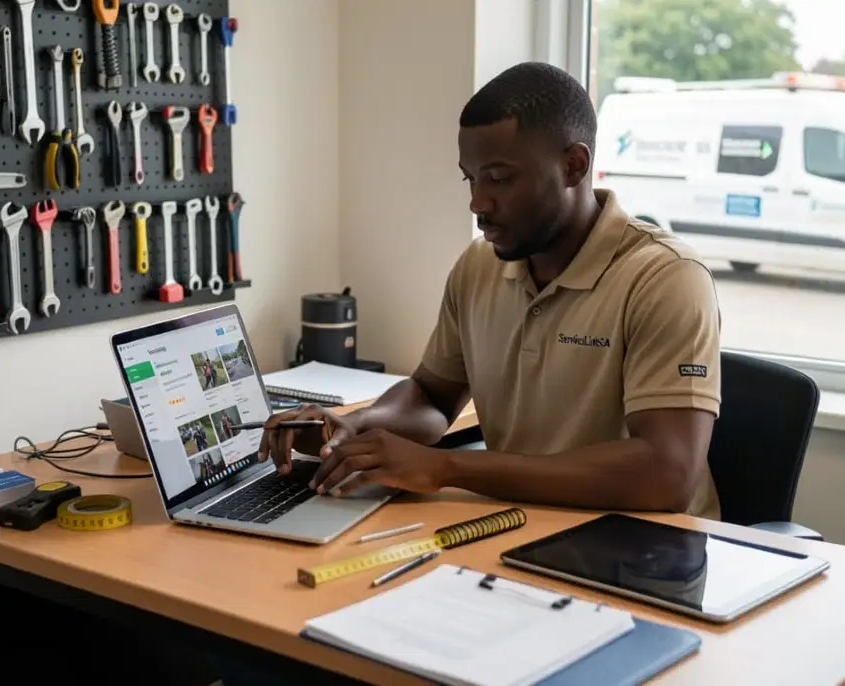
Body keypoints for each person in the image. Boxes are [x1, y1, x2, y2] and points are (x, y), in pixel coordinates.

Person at [258, 61, 723, 520]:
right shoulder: (480, 265)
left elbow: (668, 476)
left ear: (574, 165)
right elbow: (431, 396)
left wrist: (445, 466)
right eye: (471, 177)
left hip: (644, 552)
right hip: (519, 527)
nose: (478, 203)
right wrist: (355, 429)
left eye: (499, 178)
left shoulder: (665, 278)